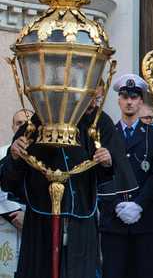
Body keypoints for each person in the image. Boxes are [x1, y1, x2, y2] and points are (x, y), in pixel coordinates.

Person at [1, 82, 137, 278]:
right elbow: (9, 178)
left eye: (97, 99)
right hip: (42, 220)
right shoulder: (41, 119)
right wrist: (15, 155)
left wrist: (107, 162)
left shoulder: (100, 122)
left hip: (81, 216)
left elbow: (110, 174)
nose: (92, 104)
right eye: (89, 97)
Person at [99, 74, 153, 278]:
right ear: (118, 100)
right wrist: (116, 205)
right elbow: (100, 175)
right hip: (114, 219)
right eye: (125, 96)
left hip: (145, 219)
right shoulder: (105, 133)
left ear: (140, 101)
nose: (129, 101)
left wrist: (139, 205)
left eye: (134, 97)